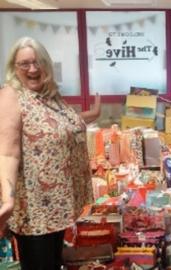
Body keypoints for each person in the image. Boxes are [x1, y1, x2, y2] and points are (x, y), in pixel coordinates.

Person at [0, 36, 99, 269]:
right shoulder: (11, 96)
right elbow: (7, 152)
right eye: (24, 64)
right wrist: (8, 198)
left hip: (58, 207)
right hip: (35, 210)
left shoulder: (48, 95)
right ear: (14, 68)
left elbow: (57, 125)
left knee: (53, 263)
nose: (33, 69)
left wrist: (91, 115)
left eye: (38, 62)